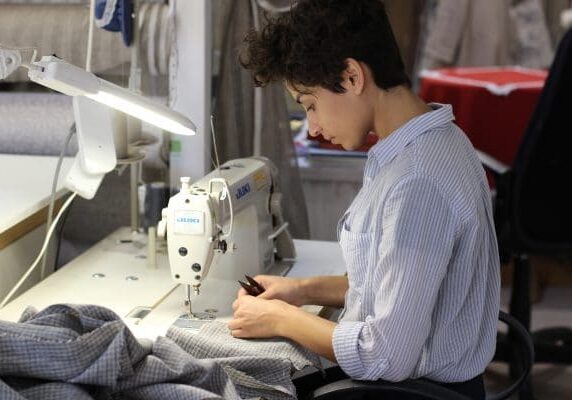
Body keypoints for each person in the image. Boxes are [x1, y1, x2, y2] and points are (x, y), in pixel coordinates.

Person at [228, 1, 501, 399]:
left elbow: (387, 355)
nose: (315, 126)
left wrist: (280, 318)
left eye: (310, 104)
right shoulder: (434, 142)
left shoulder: (417, 182)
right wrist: (300, 291)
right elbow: (394, 284)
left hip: (411, 393)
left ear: (352, 76)